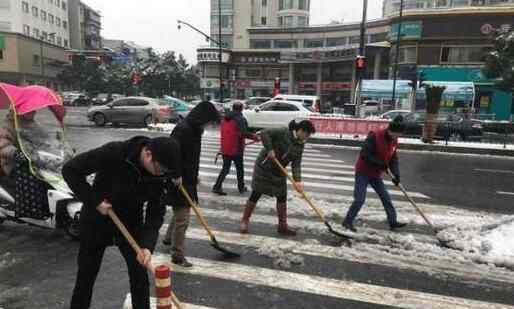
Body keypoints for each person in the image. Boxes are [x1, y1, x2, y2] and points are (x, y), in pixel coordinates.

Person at [62, 136, 181, 309]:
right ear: (148, 154)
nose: (162, 174)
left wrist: (147, 246)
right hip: (97, 222)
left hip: (130, 225)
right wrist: (95, 201)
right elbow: (71, 170)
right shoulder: (115, 153)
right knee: (86, 277)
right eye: (160, 169)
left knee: (140, 276)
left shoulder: (160, 175)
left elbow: (155, 212)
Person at [162, 101, 220, 267]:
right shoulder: (183, 129)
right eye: (209, 121)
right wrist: (175, 174)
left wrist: (194, 176)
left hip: (187, 177)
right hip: (178, 178)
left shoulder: (195, 129)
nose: (209, 125)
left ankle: (168, 238)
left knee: (181, 210)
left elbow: (190, 156)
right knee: (183, 217)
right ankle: (177, 254)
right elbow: (171, 152)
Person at [240, 120, 316, 236]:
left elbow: (296, 163)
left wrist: (298, 181)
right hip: (265, 167)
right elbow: (265, 133)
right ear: (301, 130)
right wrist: (270, 149)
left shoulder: (300, 144)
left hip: (279, 170)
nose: (307, 137)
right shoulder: (283, 132)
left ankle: (282, 226)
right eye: (307, 134)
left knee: (282, 196)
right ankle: (244, 221)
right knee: (256, 193)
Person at [342, 115, 407, 233]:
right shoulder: (375, 136)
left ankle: (393, 222)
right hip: (363, 172)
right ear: (390, 131)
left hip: (376, 174)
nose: (397, 137)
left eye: (399, 135)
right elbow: (364, 154)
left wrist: (396, 175)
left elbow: (393, 158)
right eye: (396, 134)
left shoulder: (394, 140)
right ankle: (347, 221)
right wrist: (380, 164)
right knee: (359, 199)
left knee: (386, 198)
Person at [212, 101, 259, 195]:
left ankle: (217, 186)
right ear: (241, 109)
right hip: (236, 149)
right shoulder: (240, 119)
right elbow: (244, 133)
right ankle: (241, 187)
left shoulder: (225, 119)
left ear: (233, 108)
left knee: (225, 168)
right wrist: (255, 137)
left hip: (225, 148)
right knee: (239, 169)